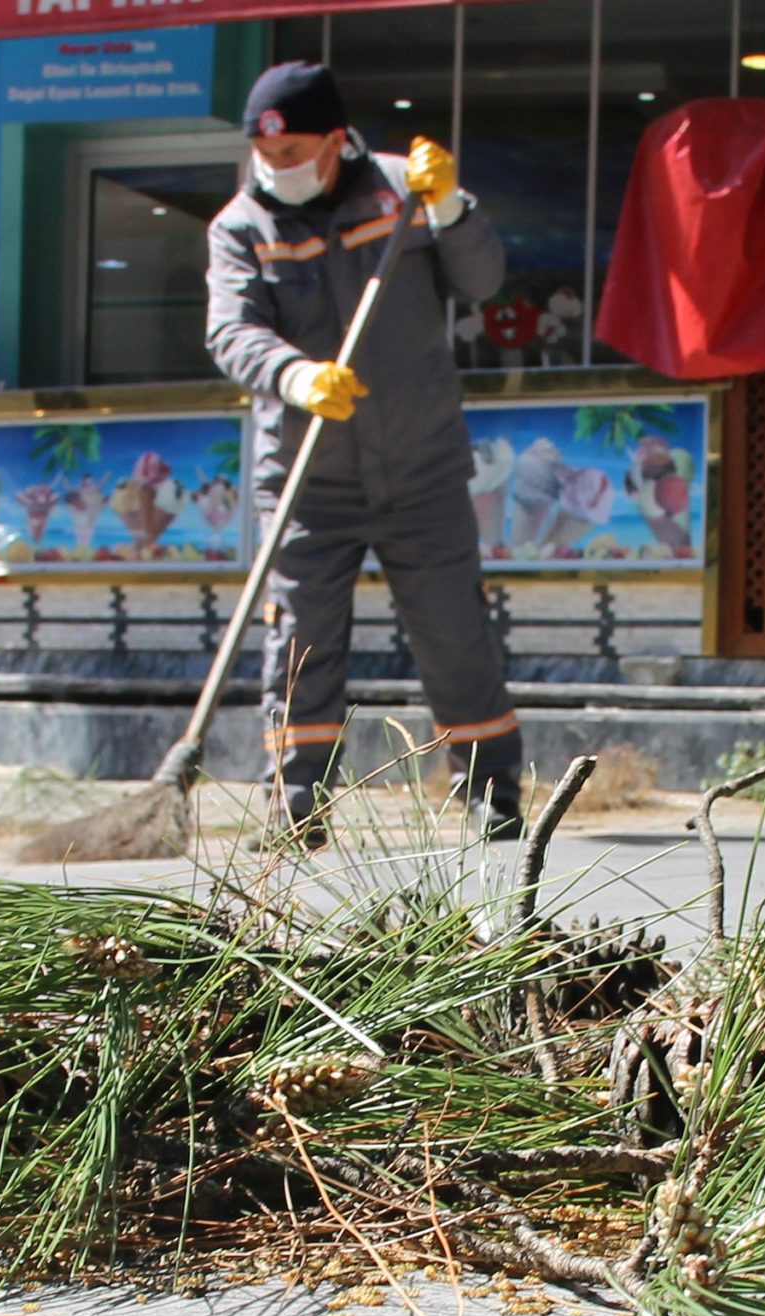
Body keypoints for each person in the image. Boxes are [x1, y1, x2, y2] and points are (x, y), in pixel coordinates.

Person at [205, 60, 524, 847]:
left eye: (292, 153)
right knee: (299, 641)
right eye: (265, 154)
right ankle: (298, 806)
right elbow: (229, 332)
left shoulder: (400, 192)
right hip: (309, 475)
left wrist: (449, 206)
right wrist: (294, 373)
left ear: (336, 141)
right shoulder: (242, 227)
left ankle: (492, 793)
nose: (275, 168)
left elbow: (483, 279)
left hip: (422, 469)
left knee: (456, 634)